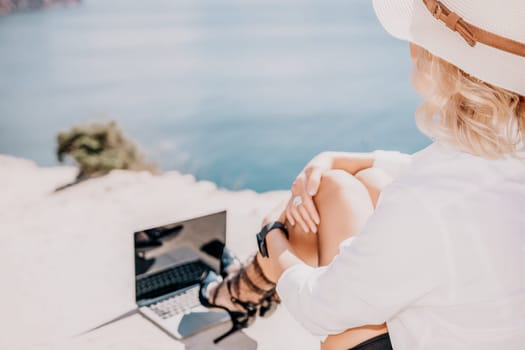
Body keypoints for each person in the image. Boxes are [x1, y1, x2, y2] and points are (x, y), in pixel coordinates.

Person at [199, 0, 525, 349]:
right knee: (357, 182)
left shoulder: (425, 202)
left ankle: (244, 290)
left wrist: (272, 238)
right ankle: (244, 290)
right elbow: (449, 181)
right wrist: (336, 158)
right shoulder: (494, 159)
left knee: (344, 306)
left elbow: (320, 310)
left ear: (443, 62)